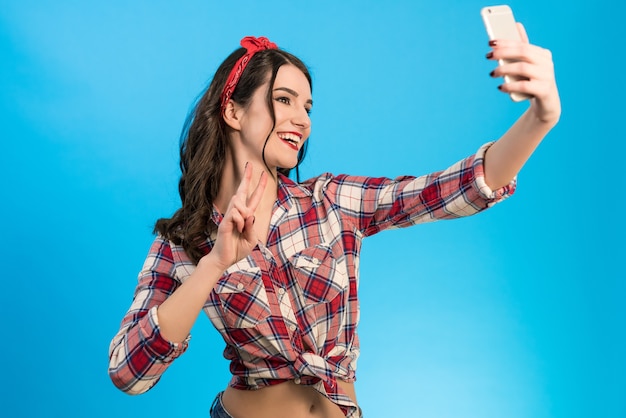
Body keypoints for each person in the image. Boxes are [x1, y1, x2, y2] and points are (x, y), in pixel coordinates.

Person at [108, 25, 560, 418]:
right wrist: (213, 265)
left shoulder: (331, 202)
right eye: (284, 99)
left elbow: (446, 191)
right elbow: (129, 374)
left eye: (307, 107)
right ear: (233, 111)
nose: (301, 119)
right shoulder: (183, 244)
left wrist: (541, 118)